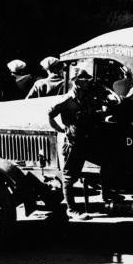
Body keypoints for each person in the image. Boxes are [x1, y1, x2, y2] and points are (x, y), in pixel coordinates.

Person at [48, 70, 119, 219]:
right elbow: (50, 114)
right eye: (85, 80)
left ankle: (106, 194)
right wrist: (61, 129)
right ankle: (71, 209)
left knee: (107, 161)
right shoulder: (67, 100)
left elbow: (95, 111)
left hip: (87, 140)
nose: (88, 82)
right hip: (73, 143)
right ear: (77, 82)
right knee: (69, 177)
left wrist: (105, 111)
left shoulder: (86, 97)